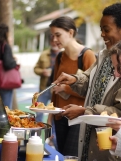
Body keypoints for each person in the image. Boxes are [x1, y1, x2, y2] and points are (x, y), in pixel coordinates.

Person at [53, 3, 121, 161]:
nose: (102, 34)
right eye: (101, 30)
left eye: (106, 29)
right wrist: (74, 79)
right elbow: (88, 80)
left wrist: (85, 111)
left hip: (110, 147)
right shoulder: (105, 55)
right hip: (88, 141)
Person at [49, 16, 97, 156]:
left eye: (58, 35)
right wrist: (50, 115)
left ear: (70, 33)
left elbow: (94, 90)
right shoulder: (60, 57)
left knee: (72, 156)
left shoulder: (87, 55)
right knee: (61, 154)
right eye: (53, 36)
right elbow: (54, 88)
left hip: (79, 116)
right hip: (60, 116)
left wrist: (66, 88)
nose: (54, 40)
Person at [34, 38, 60, 150]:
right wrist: (42, 72)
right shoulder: (44, 54)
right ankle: (37, 138)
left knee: (54, 115)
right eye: (52, 39)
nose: (54, 41)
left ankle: (53, 140)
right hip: (45, 88)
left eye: (56, 39)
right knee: (39, 113)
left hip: (57, 90)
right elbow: (35, 68)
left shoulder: (63, 54)